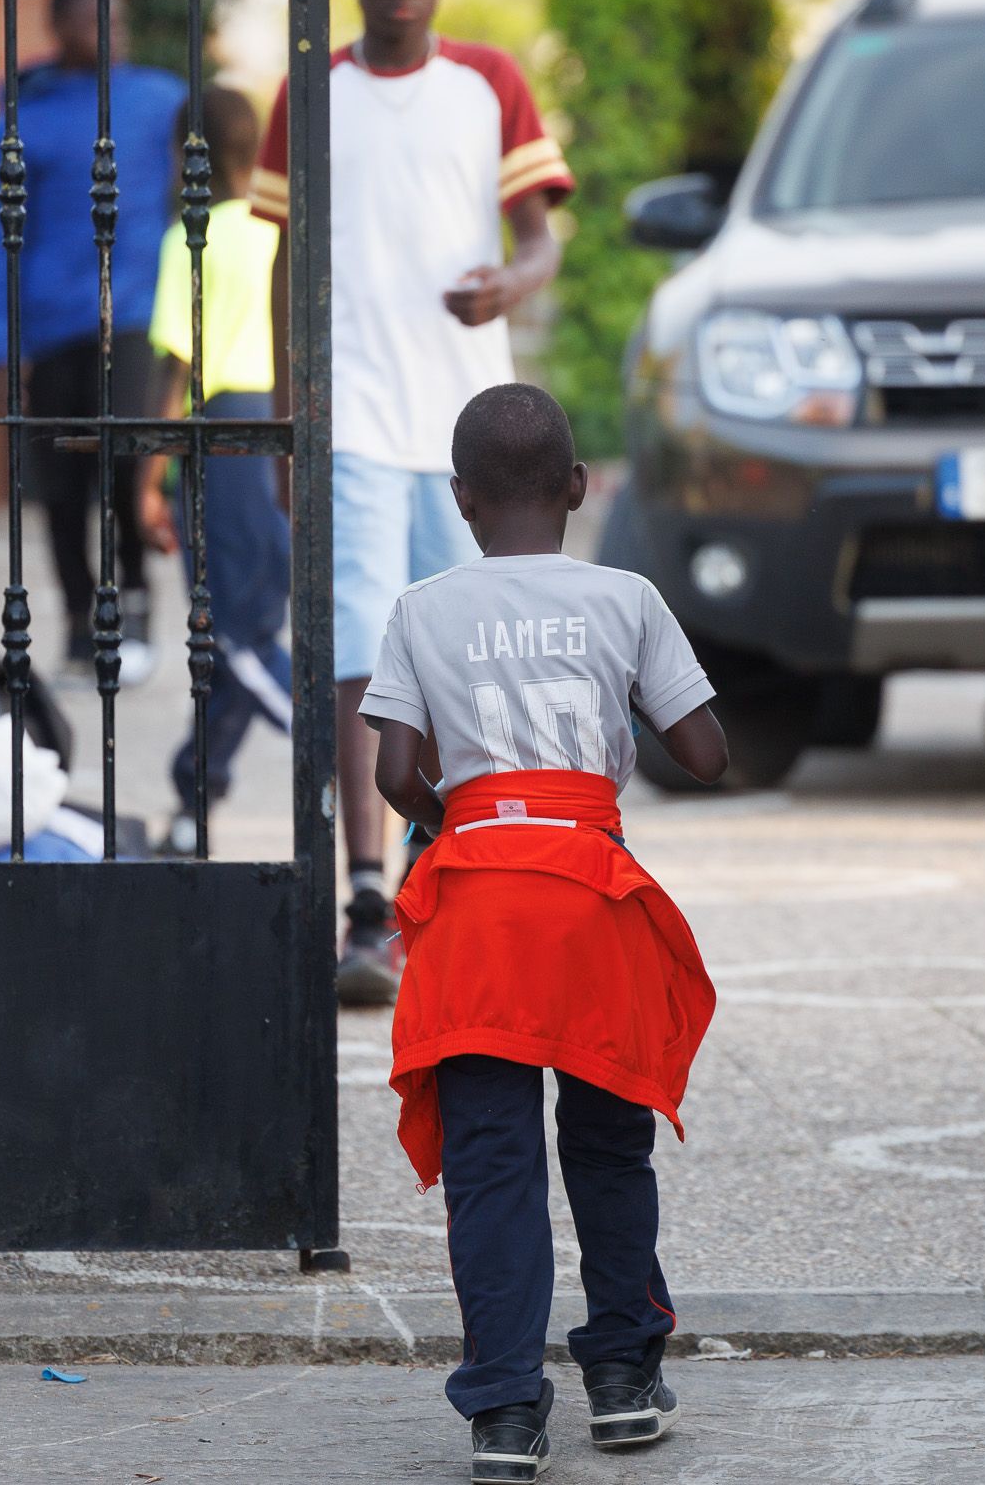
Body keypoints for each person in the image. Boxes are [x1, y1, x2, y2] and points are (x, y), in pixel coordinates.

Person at [360, 383, 726, 1482]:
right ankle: (621, 1378)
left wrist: (461, 815)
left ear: (463, 501)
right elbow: (705, 753)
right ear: (578, 487)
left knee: (491, 1159)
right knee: (608, 1147)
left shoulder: (424, 607)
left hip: (479, 905)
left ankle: (507, 1413)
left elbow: (389, 774)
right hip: (591, 902)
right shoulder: (627, 597)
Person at [253, 0, 573, 1005]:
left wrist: (513, 286)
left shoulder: (490, 82)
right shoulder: (310, 92)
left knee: (467, 662)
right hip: (349, 417)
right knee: (353, 662)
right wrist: (291, 414)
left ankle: (464, 869)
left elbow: (541, 237)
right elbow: (285, 257)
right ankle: (367, 894)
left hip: (464, 435)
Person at [0, 0, 187, 688]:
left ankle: (136, 612)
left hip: (140, 321)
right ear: (62, 29)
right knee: (58, 488)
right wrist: (1, 350)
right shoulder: (20, 122)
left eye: (117, 19)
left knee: (126, 471)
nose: (112, 30)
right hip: (52, 329)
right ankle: (82, 629)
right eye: (96, 20)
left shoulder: (164, 100)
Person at [137, 87, 289, 855]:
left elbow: (177, 366)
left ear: (183, 152)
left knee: (236, 639)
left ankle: (344, 741)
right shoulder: (278, 229)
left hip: (220, 433)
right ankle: (196, 794)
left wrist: (147, 484)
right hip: (282, 429)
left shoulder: (190, 235)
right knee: (234, 631)